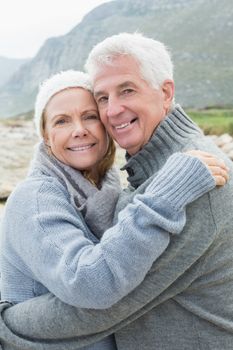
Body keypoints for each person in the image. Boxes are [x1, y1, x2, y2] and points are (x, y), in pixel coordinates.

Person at [0, 32, 232, 350]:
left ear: (166, 93)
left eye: (127, 90)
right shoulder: (43, 197)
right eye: (103, 99)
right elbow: (95, 284)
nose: (113, 111)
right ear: (45, 134)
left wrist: (9, 325)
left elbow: (106, 302)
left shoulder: (196, 182)